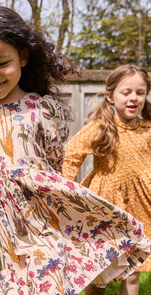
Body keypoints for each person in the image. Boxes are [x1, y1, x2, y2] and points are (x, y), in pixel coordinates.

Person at [0, 7, 151, 294]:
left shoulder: (44, 110)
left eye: (2, 63)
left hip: (39, 227)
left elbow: (53, 168)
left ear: (23, 57)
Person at [62, 64, 151, 295]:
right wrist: (63, 189)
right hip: (107, 207)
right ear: (110, 96)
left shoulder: (148, 130)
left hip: (140, 209)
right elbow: (71, 156)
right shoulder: (100, 128)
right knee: (100, 274)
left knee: (132, 272)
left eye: (140, 93)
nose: (134, 98)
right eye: (126, 92)